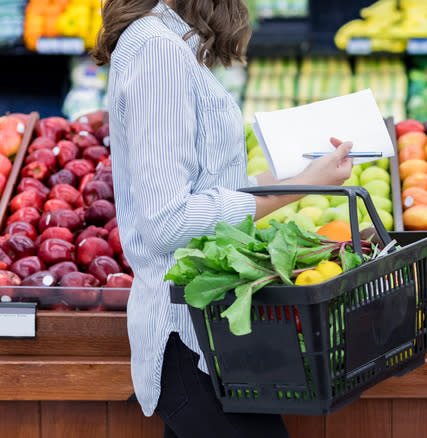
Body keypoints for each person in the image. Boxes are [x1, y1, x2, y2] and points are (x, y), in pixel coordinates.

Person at [92, 1, 353, 436]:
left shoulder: (167, 43)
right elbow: (168, 221)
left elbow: (205, 188)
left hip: (211, 335)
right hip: (190, 341)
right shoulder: (157, 50)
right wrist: (299, 187)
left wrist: (304, 176)